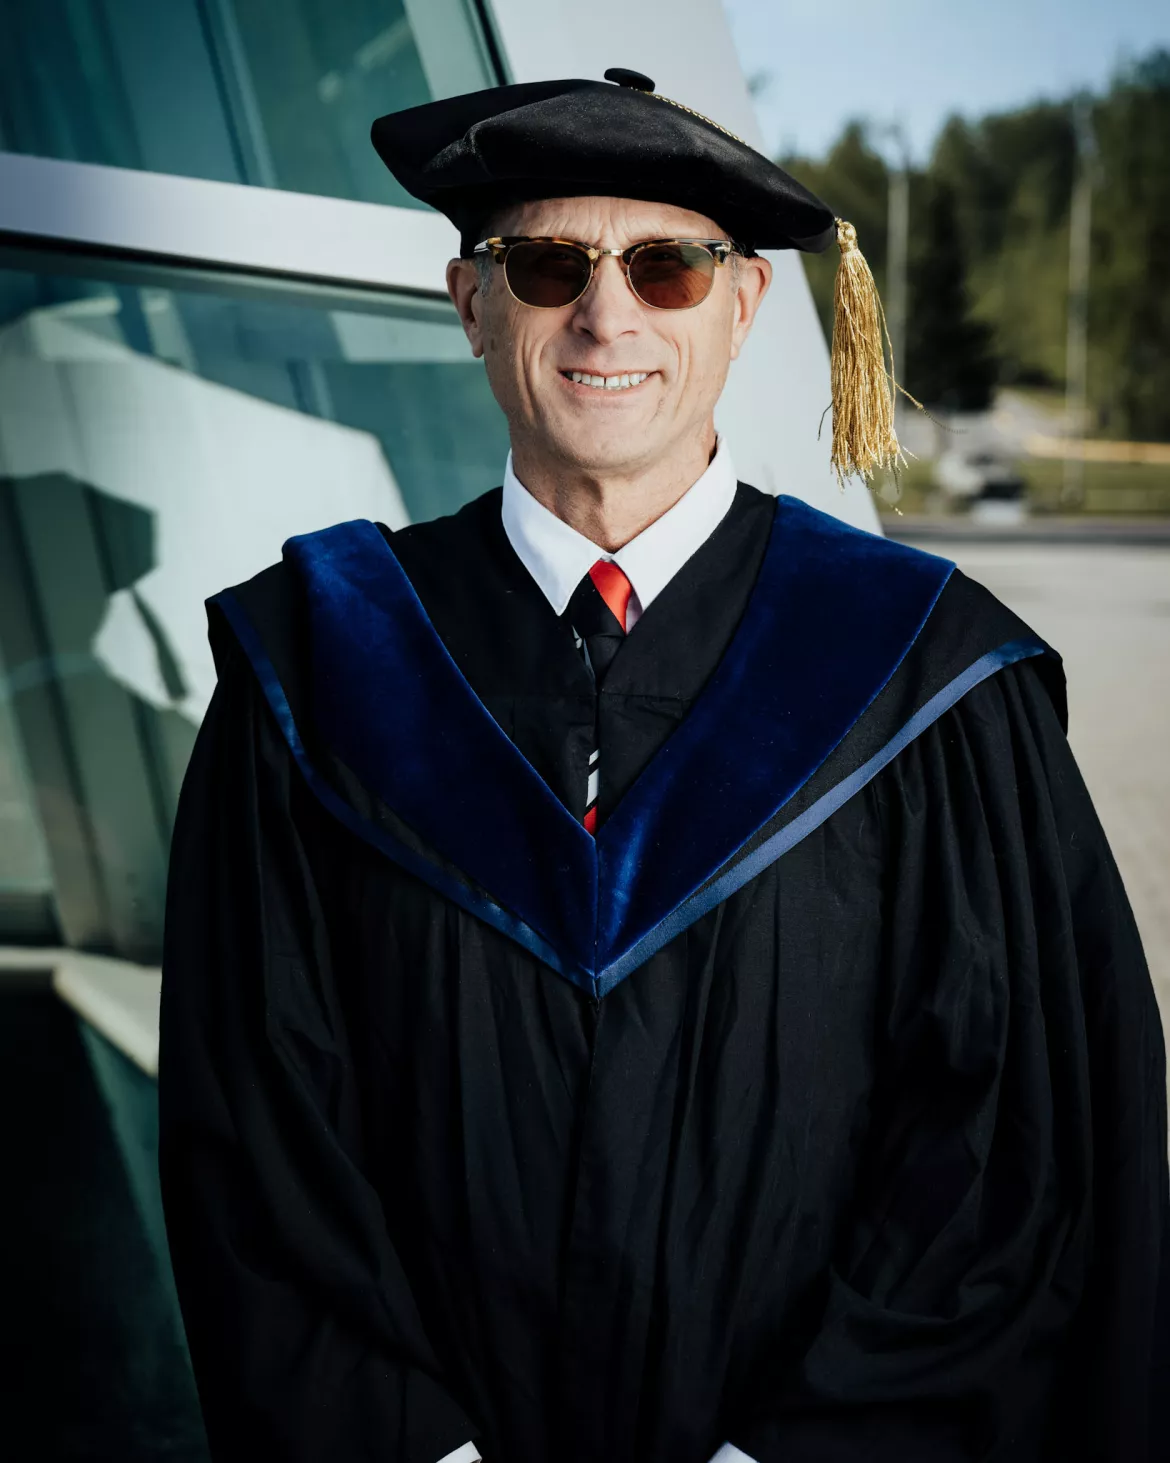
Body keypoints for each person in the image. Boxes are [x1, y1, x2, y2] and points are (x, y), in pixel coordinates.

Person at [159, 68, 1169, 1463]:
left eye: (666, 266)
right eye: (547, 260)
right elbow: (255, 1147)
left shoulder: (921, 677)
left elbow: (1011, 1153)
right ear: (469, 301)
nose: (605, 311)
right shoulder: (316, 675)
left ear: (745, 307)